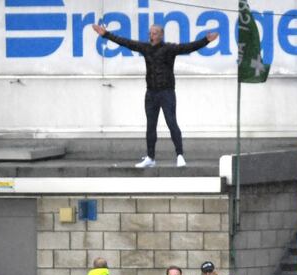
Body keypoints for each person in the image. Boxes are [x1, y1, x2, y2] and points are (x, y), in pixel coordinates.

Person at [92, 23, 218, 168]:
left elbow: (188, 47)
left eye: (155, 33)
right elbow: (126, 43)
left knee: (171, 122)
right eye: (150, 33)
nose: (151, 36)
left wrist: (206, 40)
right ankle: (150, 157)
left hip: (167, 92)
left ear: (161, 34)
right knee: (150, 126)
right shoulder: (145, 48)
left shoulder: (169, 48)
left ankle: (180, 155)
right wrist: (106, 34)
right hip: (151, 92)